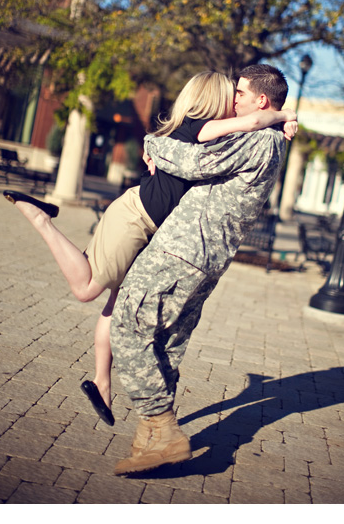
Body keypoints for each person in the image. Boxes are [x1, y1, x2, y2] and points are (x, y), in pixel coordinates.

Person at [3, 71, 297, 426]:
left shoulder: (226, 136)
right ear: (211, 97)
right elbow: (247, 123)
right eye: (230, 93)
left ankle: (102, 383)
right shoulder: (200, 126)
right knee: (87, 289)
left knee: (117, 303)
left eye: (239, 93)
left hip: (157, 231)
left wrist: (283, 122)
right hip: (135, 217)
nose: (234, 100)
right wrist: (284, 116)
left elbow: (249, 125)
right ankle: (41, 219)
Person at [109, 64, 289, 476]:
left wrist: (153, 142)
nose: (234, 100)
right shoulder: (271, 138)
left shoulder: (259, 139)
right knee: (166, 342)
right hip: (207, 255)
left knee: (130, 325)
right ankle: (149, 442)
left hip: (184, 249)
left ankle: (163, 428)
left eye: (241, 93)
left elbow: (194, 162)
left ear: (261, 100)